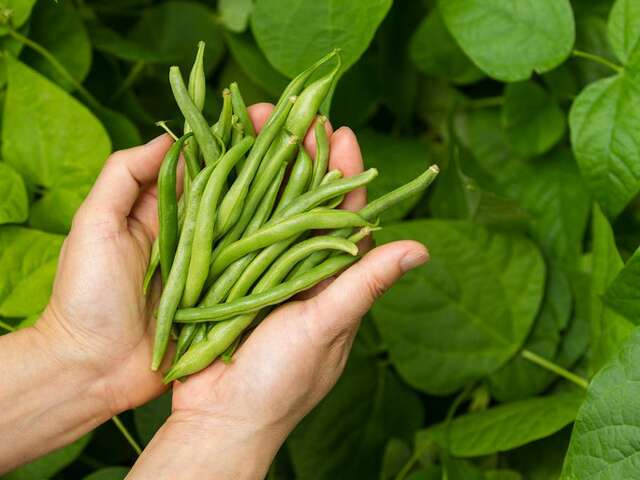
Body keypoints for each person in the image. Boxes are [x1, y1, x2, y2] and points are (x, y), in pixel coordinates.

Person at [0, 104, 428, 479]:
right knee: (248, 215)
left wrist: (77, 353)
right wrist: (224, 428)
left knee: (265, 226)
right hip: (183, 325)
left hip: (182, 325)